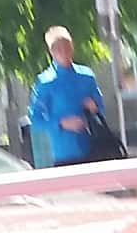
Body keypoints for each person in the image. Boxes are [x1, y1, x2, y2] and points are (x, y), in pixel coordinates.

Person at [25, 25, 116, 167]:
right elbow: (34, 120)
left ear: (72, 46)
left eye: (67, 46)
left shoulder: (86, 76)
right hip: (64, 154)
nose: (64, 51)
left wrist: (94, 108)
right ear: (51, 52)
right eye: (58, 48)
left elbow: (100, 109)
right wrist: (61, 123)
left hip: (93, 149)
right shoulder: (45, 82)